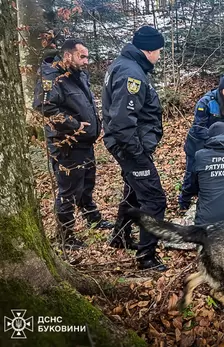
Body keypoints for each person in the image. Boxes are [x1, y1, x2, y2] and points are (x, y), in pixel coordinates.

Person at [33, 38, 113, 250]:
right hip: (66, 145)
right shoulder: (51, 76)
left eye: (87, 56)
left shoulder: (78, 75)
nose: (86, 61)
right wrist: (74, 125)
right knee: (68, 190)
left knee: (87, 182)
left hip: (84, 141)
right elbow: (44, 108)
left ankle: (92, 218)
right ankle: (65, 237)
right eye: (82, 56)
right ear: (68, 55)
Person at [102, 26, 167, 271]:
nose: (159, 56)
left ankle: (119, 236)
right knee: (154, 199)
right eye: (158, 51)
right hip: (129, 148)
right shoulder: (132, 74)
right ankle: (146, 257)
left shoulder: (125, 65)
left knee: (133, 190)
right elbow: (122, 121)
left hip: (127, 145)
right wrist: (137, 152)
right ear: (149, 49)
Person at [178, 74, 224, 210]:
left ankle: (208, 199)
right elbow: (198, 127)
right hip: (197, 143)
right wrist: (216, 139)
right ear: (221, 88)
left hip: (218, 144)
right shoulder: (205, 102)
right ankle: (184, 202)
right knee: (192, 173)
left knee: (213, 173)